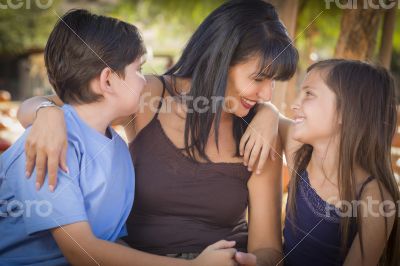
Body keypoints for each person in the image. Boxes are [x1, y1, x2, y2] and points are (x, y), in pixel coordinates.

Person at [17, 1, 299, 265]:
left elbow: (268, 247)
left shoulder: (258, 132)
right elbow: (58, 104)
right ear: (221, 60)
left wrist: (251, 261)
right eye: (259, 78)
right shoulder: (149, 95)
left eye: (273, 82)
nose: (267, 94)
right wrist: (47, 113)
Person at [279, 59, 400, 265]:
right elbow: (272, 116)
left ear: (346, 111)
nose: (295, 103)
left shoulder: (373, 198)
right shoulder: (300, 153)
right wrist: (266, 115)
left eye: (309, 93)